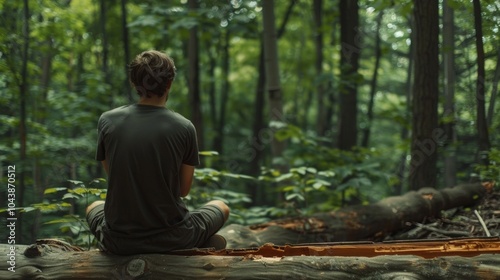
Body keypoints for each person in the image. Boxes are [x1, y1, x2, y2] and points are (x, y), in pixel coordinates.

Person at [86, 50, 230, 255]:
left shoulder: (107, 120)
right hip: (174, 238)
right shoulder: (184, 127)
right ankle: (199, 243)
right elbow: (182, 190)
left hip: (117, 240)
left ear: (134, 83)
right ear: (169, 83)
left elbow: (116, 176)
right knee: (221, 206)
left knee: (93, 206)